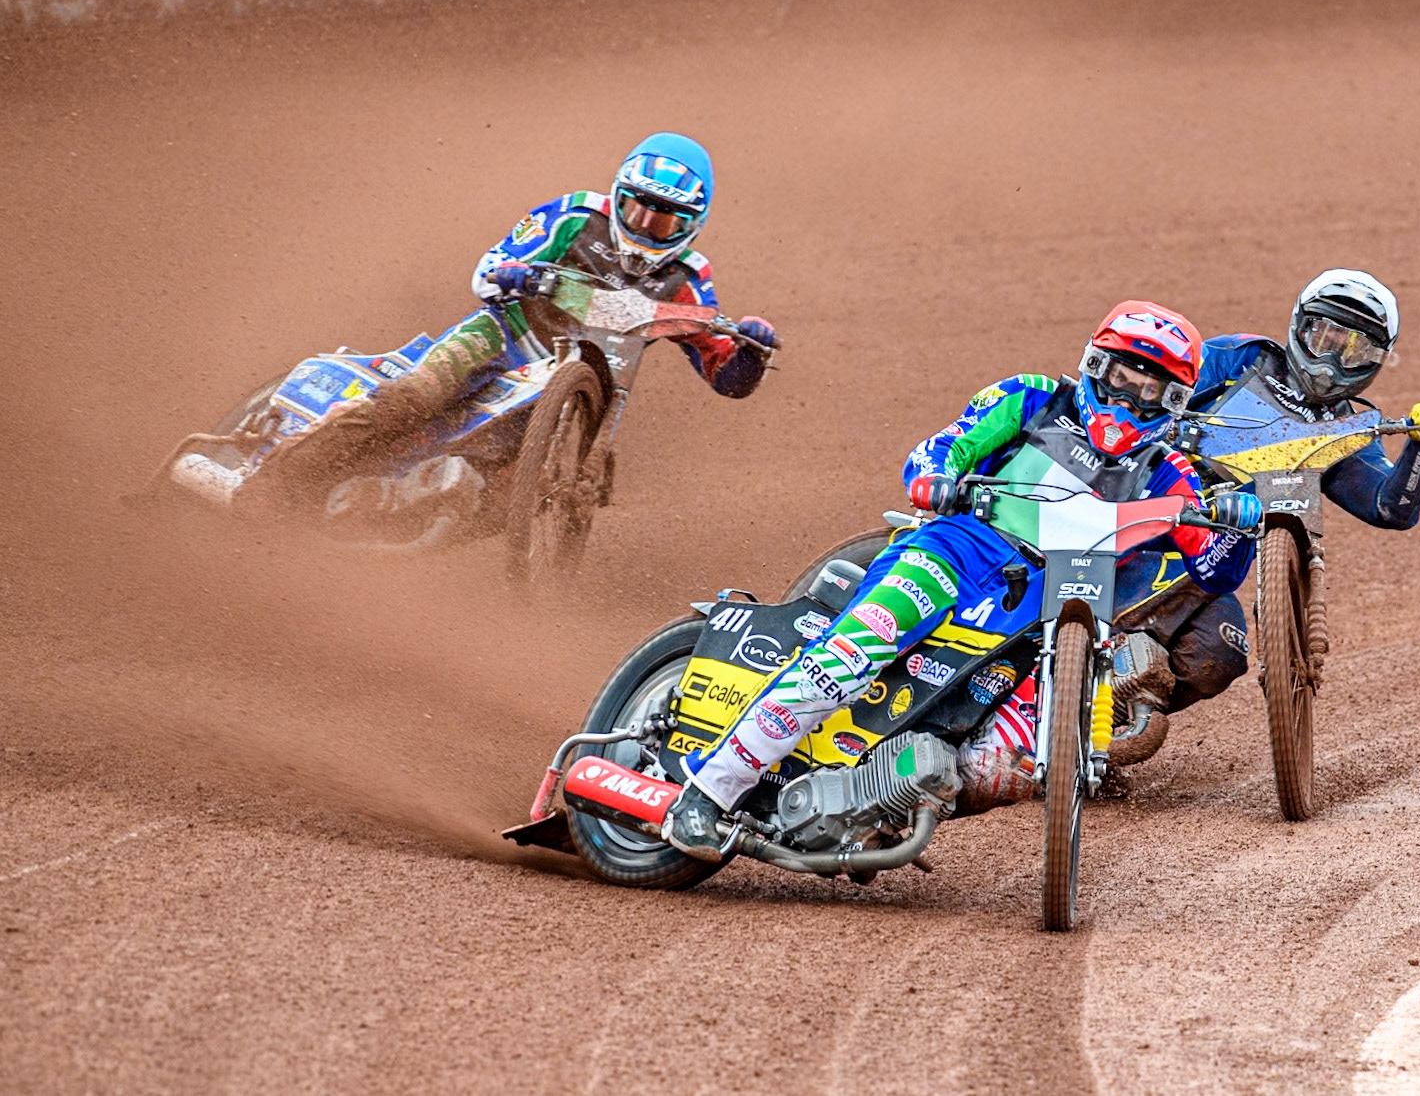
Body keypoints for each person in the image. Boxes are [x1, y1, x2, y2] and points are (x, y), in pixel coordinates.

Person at [662, 301, 1263, 860]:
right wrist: (936, 478)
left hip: (1049, 601)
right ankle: (706, 795)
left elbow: (1214, 569)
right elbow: (945, 446)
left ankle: (878, 803)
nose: (1130, 398)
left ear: (1174, 400)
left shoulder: (1169, 471)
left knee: (1006, 760)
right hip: (957, 550)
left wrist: (1237, 523)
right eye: (1122, 378)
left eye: (1150, 389)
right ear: (1095, 366)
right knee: (850, 656)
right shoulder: (1033, 398)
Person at [250, 131, 779, 521]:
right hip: (502, 337)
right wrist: (514, 274)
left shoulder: (689, 279)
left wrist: (751, 352)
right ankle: (274, 485)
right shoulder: (575, 216)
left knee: (506, 495)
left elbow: (726, 377)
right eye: (635, 209)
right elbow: (487, 270)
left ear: (691, 224)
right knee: (413, 398)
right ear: (617, 195)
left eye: (661, 220)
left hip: (580, 384)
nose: (643, 227)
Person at [1175, 269, 1420, 689]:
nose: (1331, 363)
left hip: (1208, 563)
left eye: (1354, 351)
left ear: (1377, 360)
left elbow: (1390, 508)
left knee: (1218, 657)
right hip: (1154, 507)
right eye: (1324, 337)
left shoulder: (1348, 431)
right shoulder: (1239, 358)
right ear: (1300, 326)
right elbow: (1153, 395)